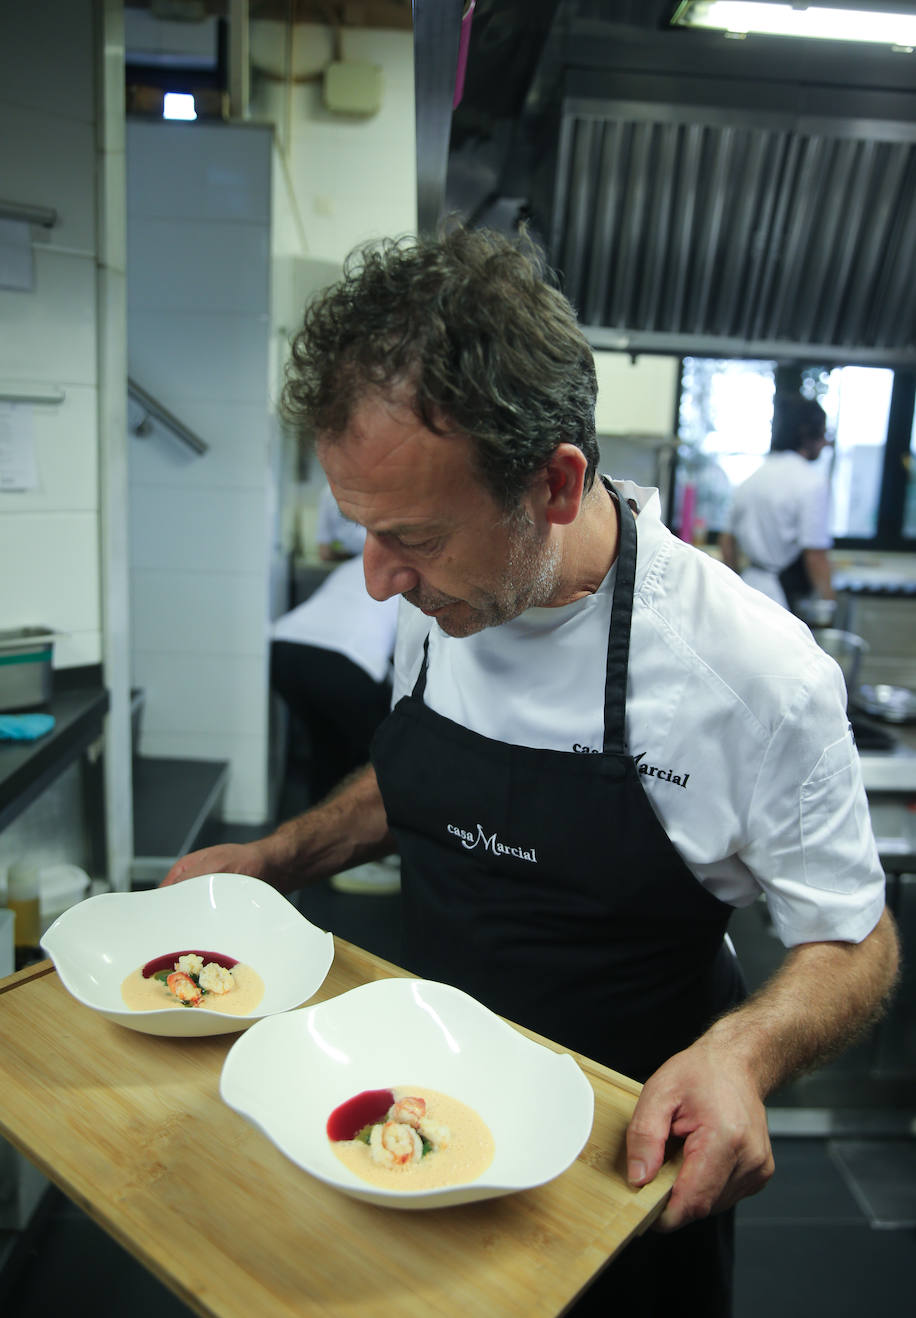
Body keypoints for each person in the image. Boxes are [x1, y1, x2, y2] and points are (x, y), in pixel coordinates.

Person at [163, 227, 898, 1316]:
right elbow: (420, 780)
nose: (376, 584)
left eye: (408, 536)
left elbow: (856, 940)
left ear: (554, 485)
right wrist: (278, 855)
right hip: (414, 1114)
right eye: (362, 532)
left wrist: (743, 1056)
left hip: (617, 1176)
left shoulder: (750, 675)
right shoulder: (444, 594)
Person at [271, 495, 400, 894]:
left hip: (284, 649)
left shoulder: (351, 566)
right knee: (380, 761)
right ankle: (361, 857)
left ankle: (316, 855)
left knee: (327, 746)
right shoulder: (408, 574)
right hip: (346, 659)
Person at [720, 398, 835, 611]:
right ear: (808, 434)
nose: (825, 443)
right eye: (823, 434)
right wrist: (829, 604)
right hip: (781, 598)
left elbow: (727, 541)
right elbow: (816, 556)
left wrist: (734, 582)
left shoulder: (750, 480)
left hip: (746, 588)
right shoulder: (812, 482)